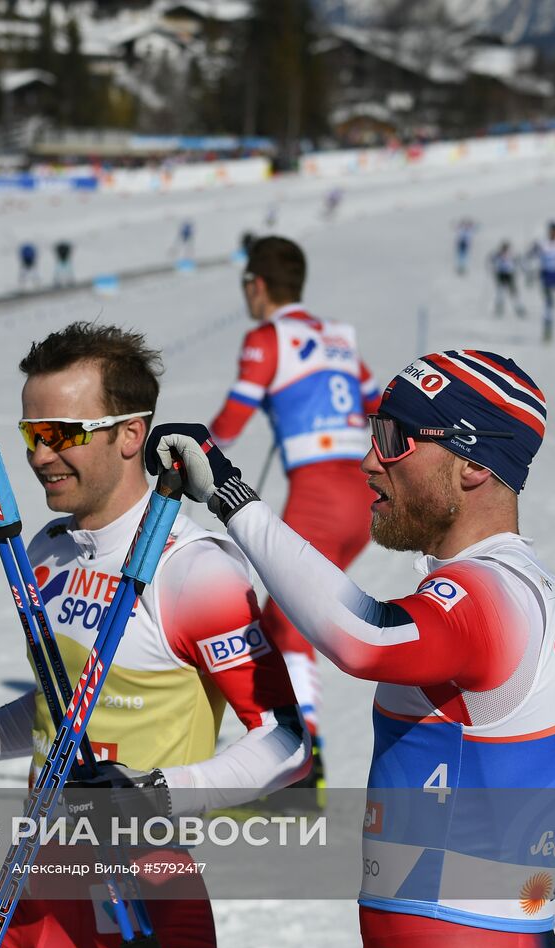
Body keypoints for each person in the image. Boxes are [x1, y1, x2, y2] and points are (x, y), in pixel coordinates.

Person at [0, 323, 308, 948]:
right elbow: (57, 712)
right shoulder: (47, 550)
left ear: (130, 435)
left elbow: (286, 746)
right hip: (32, 901)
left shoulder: (195, 573)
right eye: (30, 435)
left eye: (60, 434)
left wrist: (153, 791)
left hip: (141, 912)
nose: (40, 457)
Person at [147, 348, 555, 948]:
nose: (367, 462)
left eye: (393, 440)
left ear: (473, 464)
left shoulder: (491, 597)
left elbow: (363, 639)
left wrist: (231, 496)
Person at [209, 235, 380, 792]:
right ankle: (296, 754)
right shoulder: (337, 338)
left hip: (319, 493)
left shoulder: (266, 337)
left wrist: (188, 450)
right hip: (361, 493)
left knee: (288, 622)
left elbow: (231, 420)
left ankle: (300, 763)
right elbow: (378, 408)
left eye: (244, 287)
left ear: (257, 285)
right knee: (288, 617)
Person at [489, 240, 526, 318]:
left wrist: (521, 268)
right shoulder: (498, 254)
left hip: (509, 274)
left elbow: (518, 261)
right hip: (501, 274)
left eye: (506, 248)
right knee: (500, 292)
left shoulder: (511, 254)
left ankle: (518, 307)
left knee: (513, 292)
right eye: (504, 248)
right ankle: (499, 307)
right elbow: (491, 259)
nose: (504, 250)